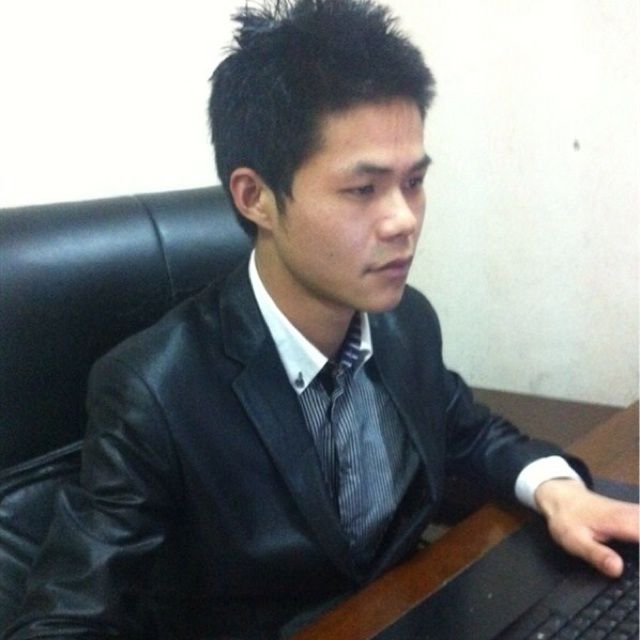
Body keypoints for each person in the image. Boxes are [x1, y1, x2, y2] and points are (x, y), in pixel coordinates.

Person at [6, 1, 638, 638]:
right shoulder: (154, 391)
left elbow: (464, 433)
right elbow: (63, 620)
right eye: (363, 189)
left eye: (413, 182)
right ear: (255, 198)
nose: (404, 220)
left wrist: (559, 491)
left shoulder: (404, 322)